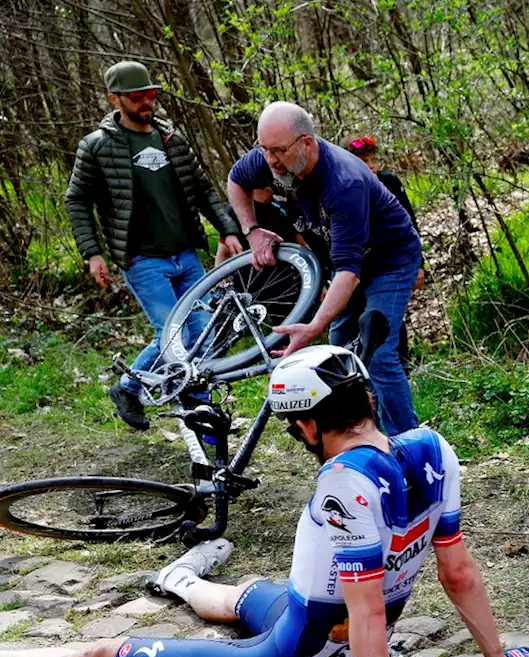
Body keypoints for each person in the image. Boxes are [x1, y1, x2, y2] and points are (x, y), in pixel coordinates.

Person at [0, 344, 529, 657]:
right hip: (311, 624)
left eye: (295, 427)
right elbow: (458, 572)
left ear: (311, 425)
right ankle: (181, 579)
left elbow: (367, 617)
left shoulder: (345, 483)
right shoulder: (433, 449)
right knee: (248, 596)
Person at [226, 102, 422, 436]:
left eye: (279, 151)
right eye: (264, 149)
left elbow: (350, 270)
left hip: (389, 260)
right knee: (339, 346)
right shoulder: (270, 157)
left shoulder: (344, 182)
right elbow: (235, 180)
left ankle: (408, 445)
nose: (270, 160)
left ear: (306, 142)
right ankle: (353, 430)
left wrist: (313, 324)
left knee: (378, 353)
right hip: (343, 262)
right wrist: (251, 229)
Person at [66, 60, 242, 431]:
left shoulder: (171, 139)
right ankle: (130, 389)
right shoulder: (97, 147)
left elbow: (204, 191)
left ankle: (197, 409)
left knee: (203, 331)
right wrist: (92, 253)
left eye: (150, 94)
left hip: (186, 255)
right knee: (173, 335)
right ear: (115, 99)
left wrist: (228, 230)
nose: (147, 101)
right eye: (136, 96)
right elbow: (77, 200)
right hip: (142, 260)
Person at [342, 135, 425, 363]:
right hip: (361, 265)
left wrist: (419, 265)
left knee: (389, 318)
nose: (370, 166)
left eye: (372, 160)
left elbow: (411, 224)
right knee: (360, 317)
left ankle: (401, 363)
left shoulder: (389, 182)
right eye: (363, 161)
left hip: (394, 261)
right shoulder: (345, 188)